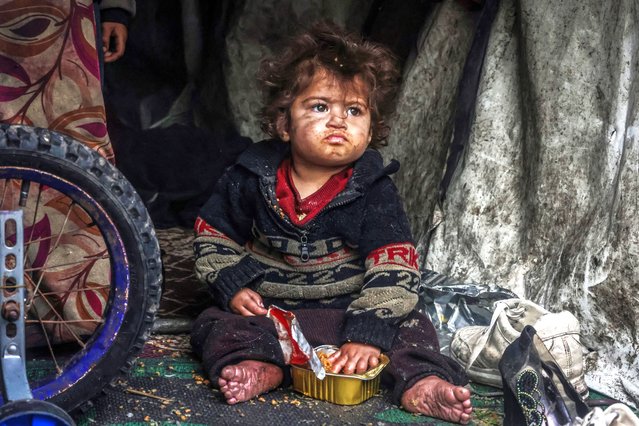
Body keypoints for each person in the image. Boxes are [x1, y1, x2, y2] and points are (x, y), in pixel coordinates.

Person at [190, 22, 473, 424]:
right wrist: (232, 285)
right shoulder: (249, 177)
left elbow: (394, 266)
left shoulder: (373, 189)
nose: (338, 121)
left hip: (347, 312)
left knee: (413, 327)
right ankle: (259, 366)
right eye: (320, 107)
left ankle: (423, 384)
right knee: (214, 325)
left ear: (371, 128)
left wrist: (367, 333)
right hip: (272, 313)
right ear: (284, 124)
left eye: (354, 111)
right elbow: (212, 237)